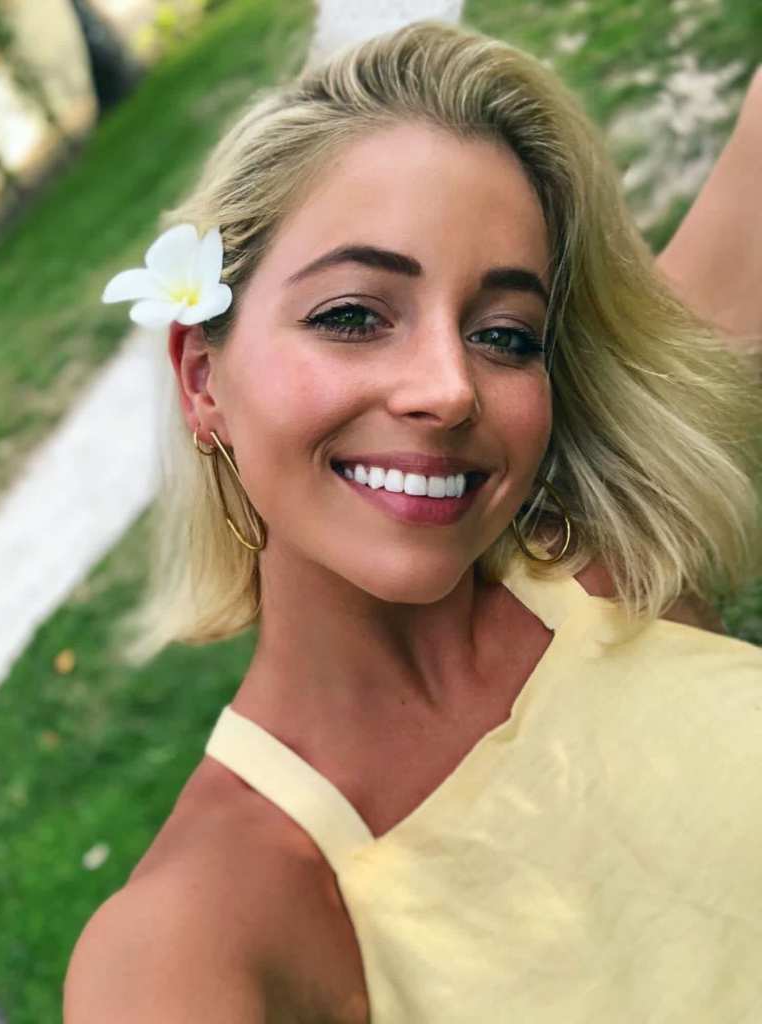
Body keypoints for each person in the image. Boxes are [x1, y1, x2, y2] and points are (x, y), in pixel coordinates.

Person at [64, 21, 762, 1022]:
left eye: (504, 334)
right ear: (203, 377)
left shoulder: (617, 542)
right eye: (352, 315)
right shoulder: (201, 931)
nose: (448, 387)